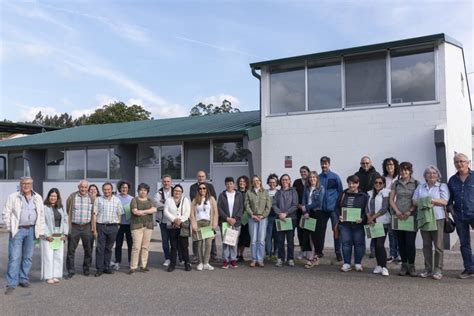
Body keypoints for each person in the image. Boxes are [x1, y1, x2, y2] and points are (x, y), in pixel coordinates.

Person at [3, 177, 44, 295]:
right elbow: (6, 212)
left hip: (31, 230)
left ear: (32, 185)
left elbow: (40, 215)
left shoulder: (38, 197)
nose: (26, 185)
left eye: (28, 183)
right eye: (23, 183)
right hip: (18, 230)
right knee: (14, 257)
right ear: (20, 184)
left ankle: (23, 279)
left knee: (27, 257)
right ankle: (11, 283)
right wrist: (10, 228)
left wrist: (40, 231)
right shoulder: (13, 196)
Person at [413, 165, 449, 280]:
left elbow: (444, 201)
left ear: (438, 175)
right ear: (425, 176)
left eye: (434, 173)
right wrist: (429, 202)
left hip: (438, 218)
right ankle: (428, 269)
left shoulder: (442, 186)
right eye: (429, 173)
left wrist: (429, 200)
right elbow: (414, 201)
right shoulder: (420, 187)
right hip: (424, 218)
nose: (431, 175)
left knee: (438, 245)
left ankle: (438, 270)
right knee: (426, 245)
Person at [389, 162, 419, 277]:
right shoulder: (396, 183)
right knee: (401, 243)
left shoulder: (416, 183)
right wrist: (397, 212)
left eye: (406, 170)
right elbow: (391, 200)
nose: (404, 172)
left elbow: (417, 200)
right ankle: (404, 266)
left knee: (410, 243)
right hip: (398, 216)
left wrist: (409, 211)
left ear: (410, 171)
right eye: (402, 170)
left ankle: (411, 266)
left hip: (411, 217)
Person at [447, 153, 474, 279]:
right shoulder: (452, 180)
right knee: (464, 244)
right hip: (460, 217)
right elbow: (449, 200)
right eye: (456, 162)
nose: (459, 164)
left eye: (462, 161)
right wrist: (453, 214)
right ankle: (469, 268)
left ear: (468, 162)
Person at [337, 175, 369, 272]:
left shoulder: (364, 196)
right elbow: (337, 207)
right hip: (345, 224)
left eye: (354, 183)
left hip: (358, 225)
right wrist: (339, 216)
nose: (351, 185)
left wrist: (362, 218)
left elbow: (366, 210)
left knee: (359, 244)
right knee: (346, 243)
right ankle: (347, 263)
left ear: (358, 184)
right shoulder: (343, 194)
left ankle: (358, 263)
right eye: (350, 183)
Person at [65, 180, 95, 279]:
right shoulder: (72, 197)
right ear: (78, 187)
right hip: (74, 227)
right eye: (81, 187)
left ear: (88, 188)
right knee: (71, 250)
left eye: (85, 187)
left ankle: (86, 268)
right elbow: (68, 209)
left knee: (88, 249)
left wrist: (93, 228)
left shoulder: (92, 198)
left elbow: (94, 213)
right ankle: (70, 270)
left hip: (87, 226)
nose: (83, 189)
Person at [94, 182, 124, 277]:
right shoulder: (98, 200)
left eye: (108, 189)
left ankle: (107, 267)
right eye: (105, 189)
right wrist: (94, 229)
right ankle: (99, 268)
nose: (106, 191)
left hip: (113, 227)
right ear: (103, 190)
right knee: (100, 248)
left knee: (109, 248)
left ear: (111, 190)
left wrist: (117, 225)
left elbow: (120, 213)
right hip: (101, 226)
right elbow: (94, 214)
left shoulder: (117, 200)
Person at [355, 156, 381, 258]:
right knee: (360, 228)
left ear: (370, 163)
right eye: (363, 163)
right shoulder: (356, 175)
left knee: (373, 226)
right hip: (360, 203)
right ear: (361, 164)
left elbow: (379, 188)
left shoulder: (376, 174)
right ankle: (361, 249)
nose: (365, 165)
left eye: (367, 163)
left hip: (372, 204)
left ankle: (373, 250)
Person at [41, 188, 68, 284]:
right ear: (48, 197)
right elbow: (42, 222)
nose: (53, 198)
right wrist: (47, 235)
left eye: (55, 196)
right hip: (48, 234)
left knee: (58, 256)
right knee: (48, 256)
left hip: (59, 234)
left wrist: (65, 234)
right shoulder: (44, 207)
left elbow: (65, 220)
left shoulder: (60, 207)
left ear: (58, 197)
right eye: (51, 196)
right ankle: (48, 276)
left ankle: (56, 275)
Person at [154, 175, 183, 267]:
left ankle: (180, 258)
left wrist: (165, 204)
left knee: (176, 241)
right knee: (165, 241)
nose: (166, 183)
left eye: (168, 181)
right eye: (164, 181)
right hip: (163, 221)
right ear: (162, 182)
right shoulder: (158, 193)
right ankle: (168, 258)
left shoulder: (175, 190)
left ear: (171, 182)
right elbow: (156, 204)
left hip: (174, 220)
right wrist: (167, 205)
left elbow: (179, 202)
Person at [128, 183, 157, 274]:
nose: (143, 192)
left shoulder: (150, 200)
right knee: (136, 247)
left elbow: (154, 209)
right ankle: (133, 267)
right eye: (141, 190)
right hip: (137, 226)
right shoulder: (134, 200)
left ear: (147, 192)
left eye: (145, 190)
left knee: (145, 247)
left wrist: (143, 211)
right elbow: (135, 212)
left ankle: (143, 266)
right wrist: (147, 212)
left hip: (148, 226)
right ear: (138, 190)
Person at [318, 156, 343, 261]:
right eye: (322, 163)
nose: (324, 165)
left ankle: (338, 252)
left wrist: (339, 208)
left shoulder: (335, 177)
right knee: (320, 231)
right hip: (322, 210)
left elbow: (341, 193)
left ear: (329, 164)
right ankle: (319, 251)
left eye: (326, 163)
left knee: (336, 230)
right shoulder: (318, 177)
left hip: (333, 210)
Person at [189, 170, 217, 263]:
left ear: (205, 177)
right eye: (199, 176)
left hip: (208, 219)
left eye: (203, 176)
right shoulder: (193, 187)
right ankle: (196, 256)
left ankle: (212, 256)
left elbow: (214, 198)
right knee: (198, 241)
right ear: (197, 177)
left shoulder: (210, 186)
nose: (201, 178)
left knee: (209, 241)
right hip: (198, 219)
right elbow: (193, 198)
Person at [366, 176, 391, 276]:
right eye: (376, 182)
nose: (378, 184)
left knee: (380, 244)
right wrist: (369, 218)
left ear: (384, 184)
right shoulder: (369, 193)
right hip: (372, 223)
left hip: (382, 222)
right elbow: (366, 208)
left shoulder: (386, 193)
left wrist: (373, 218)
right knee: (375, 245)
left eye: (380, 183)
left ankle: (384, 267)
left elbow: (384, 208)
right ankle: (379, 265)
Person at [245, 175, 272, 267]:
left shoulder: (265, 192)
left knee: (261, 240)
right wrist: (252, 215)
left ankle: (260, 259)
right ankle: (254, 259)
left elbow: (268, 206)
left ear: (260, 182)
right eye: (254, 181)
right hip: (252, 218)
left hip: (263, 219)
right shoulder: (249, 192)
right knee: (253, 240)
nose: (256, 182)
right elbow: (247, 205)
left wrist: (263, 216)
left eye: (257, 180)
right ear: (252, 183)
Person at [164, 185, 192, 272]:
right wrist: (174, 220)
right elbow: (166, 212)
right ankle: (172, 264)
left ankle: (187, 263)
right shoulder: (168, 200)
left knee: (184, 245)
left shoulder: (186, 200)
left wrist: (180, 221)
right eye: (175, 190)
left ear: (182, 192)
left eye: (179, 191)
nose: (177, 192)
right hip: (172, 226)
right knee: (173, 246)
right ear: (173, 191)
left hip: (183, 225)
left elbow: (188, 212)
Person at [217, 177, 244, 269]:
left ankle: (233, 260)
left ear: (234, 184)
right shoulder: (222, 195)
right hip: (225, 222)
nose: (229, 185)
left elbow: (241, 208)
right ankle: (225, 260)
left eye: (231, 183)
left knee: (233, 242)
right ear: (225, 185)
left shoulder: (239, 195)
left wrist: (235, 219)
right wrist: (227, 218)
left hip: (236, 222)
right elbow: (219, 208)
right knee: (226, 241)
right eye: (227, 184)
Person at [273, 174, 299, 267]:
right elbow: (274, 204)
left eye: (286, 180)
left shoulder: (293, 191)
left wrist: (286, 213)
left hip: (290, 219)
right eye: (283, 180)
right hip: (280, 219)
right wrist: (279, 213)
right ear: (281, 181)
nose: (285, 181)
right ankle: (280, 258)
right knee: (280, 240)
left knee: (290, 240)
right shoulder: (278, 192)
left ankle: (290, 259)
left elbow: (295, 205)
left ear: (289, 181)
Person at [301, 171, 325, 268]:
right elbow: (303, 201)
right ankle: (313, 254)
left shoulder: (321, 188)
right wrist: (305, 212)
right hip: (308, 214)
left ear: (317, 179)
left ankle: (314, 256)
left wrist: (306, 208)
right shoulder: (306, 188)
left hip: (317, 213)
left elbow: (319, 203)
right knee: (309, 235)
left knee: (316, 236)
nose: (312, 179)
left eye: (314, 177)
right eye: (310, 177)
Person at [111, 180, 133, 271]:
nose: (124, 189)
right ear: (120, 188)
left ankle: (131, 262)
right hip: (118, 224)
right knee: (118, 244)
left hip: (129, 224)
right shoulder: (115, 198)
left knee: (130, 244)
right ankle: (117, 262)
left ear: (128, 189)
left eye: (126, 188)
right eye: (123, 187)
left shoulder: (132, 199)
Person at [382, 157, 400, 263]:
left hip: (398, 208)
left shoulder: (400, 177)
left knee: (398, 232)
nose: (389, 167)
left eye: (391, 164)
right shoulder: (383, 179)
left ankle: (399, 255)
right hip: (387, 208)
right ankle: (392, 254)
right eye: (387, 165)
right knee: (391, 232)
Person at [292, 166, 310, 260]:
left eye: (305, 171)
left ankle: (308, 250)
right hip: (299, 211)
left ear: (308, 172)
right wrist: (298, 205)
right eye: (301, 172)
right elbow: (294, 195)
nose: (303, 173)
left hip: (309, 211)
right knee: (300, 231)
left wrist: (306, 207)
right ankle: (302, 250)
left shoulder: (311, 181)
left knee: (308, 231)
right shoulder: (297, 182)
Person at [237, 175, 251, 262]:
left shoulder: (249, 193)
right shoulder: (235, 193)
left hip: (246, 218)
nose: (242, 183)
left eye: (243, 182)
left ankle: (241, 255)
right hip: (237, 218)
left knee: (243, 237)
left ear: (246, 183)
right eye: (240, 181)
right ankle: (236, 254)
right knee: (236, 237)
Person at [265, 173, 279, 259]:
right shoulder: (265, 192)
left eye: (274, 182)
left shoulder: (279, 192)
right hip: (268, 216)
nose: (272, 184)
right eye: (270, 182)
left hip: (277, 217)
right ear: (268, 183)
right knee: (268, 236)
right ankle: (268, 253)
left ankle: (275, 252)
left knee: (277, 236)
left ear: (276, 183)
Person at [88, 184, 100, 250]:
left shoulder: (100, 200)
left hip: (99, 225)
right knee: (89, 246)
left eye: (94, 189)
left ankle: (99, 260)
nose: (93, 191)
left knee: (99, 246)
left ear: (97, 191)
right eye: (91, 189)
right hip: (89, 226)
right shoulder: (86, 200)